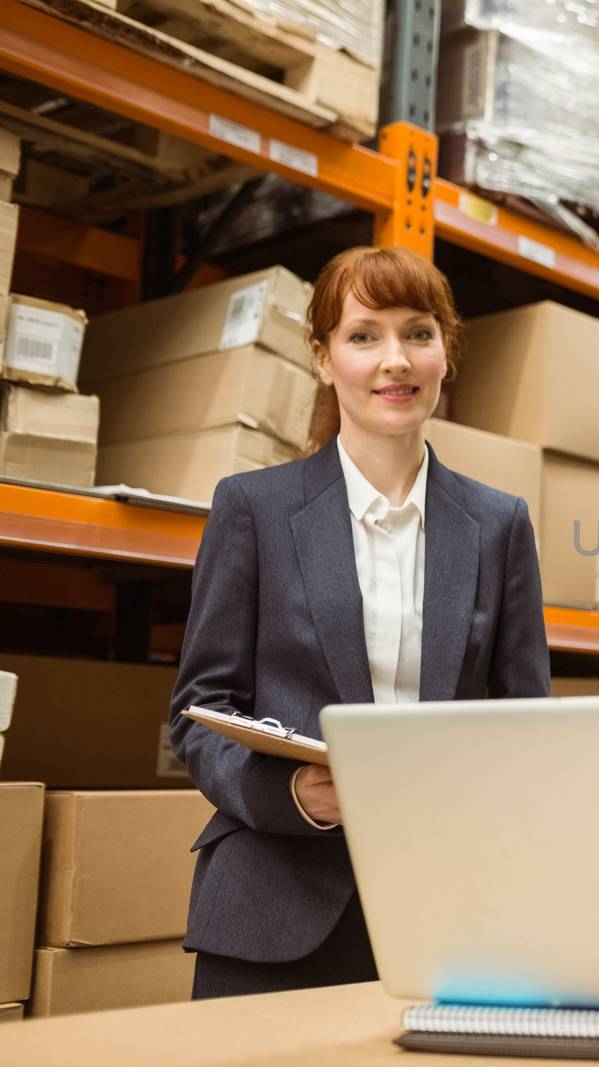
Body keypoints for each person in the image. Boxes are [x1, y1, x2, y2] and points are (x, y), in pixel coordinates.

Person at [170, 246, 551, 999]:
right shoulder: (252, 509)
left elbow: (526, 728)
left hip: (449, 912)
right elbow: (198, 717)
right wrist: (293, 798)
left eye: (418, 332)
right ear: (322, 358)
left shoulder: (499, 524)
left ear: (447, 353)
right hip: (274, 906)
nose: (394, 361)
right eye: (363, 335)